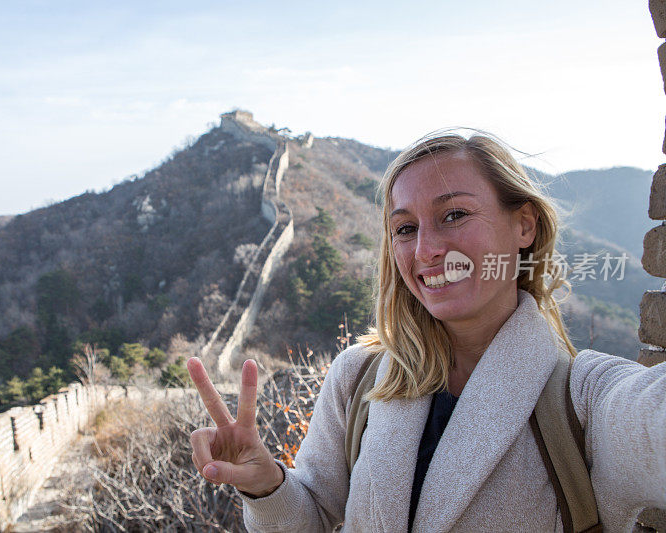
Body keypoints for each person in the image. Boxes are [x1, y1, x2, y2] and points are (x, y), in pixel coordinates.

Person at [187, 131, 666, 532]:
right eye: (405, 228)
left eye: (454, 215)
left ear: (524, 224)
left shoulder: (585, 400)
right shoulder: (359, 378)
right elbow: (312, 517)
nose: (427, 250)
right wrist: (266, 484)